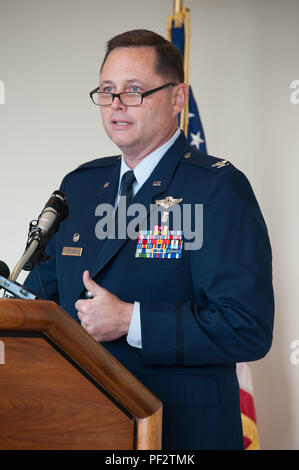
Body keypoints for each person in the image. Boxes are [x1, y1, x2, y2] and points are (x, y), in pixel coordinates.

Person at [24, 29, 274, 450]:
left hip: (181, 434)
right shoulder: (81, 185)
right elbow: (40, 300)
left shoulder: (216, 188)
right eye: (107, 91)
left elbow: (246, 327)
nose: (117, 104)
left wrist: (130, 321)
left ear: (177, 98)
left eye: (134, 90)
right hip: (84, 424)